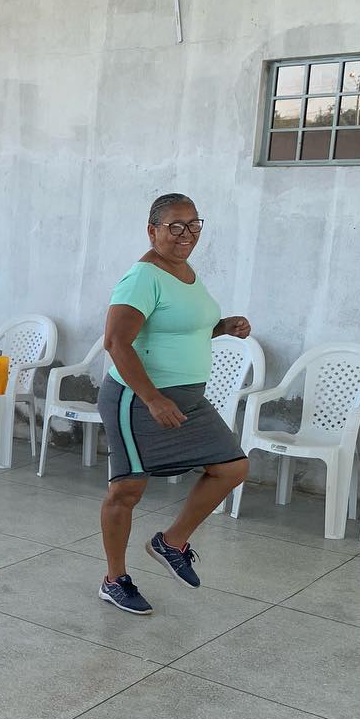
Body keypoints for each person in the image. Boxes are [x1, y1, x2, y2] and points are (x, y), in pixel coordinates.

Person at [96, 193, 251, 616]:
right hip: (137, 398)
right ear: (153, 231)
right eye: (175, 226)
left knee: (232, 466)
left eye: (194, 225)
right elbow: (116, 342)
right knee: (127, 489)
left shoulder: (183, 271)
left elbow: (178, 328)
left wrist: (222, 327)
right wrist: (152, 398)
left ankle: (172, 542)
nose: (186, 235)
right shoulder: (142, 277)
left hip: (187, 398)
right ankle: (114, 580)